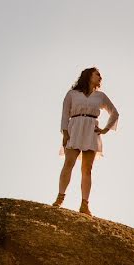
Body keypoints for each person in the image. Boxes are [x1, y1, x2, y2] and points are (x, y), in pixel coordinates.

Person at [54, 67, 119, 216]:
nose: (100, 77)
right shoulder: (72, 94)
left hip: (91, 130)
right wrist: (65, 132)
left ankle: (84, 204)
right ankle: (60, 198)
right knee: (68, 163)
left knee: (87, 168)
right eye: (97, 74)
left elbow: (114, 113)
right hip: (74, 128)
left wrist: (105, 129)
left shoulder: (100, 96)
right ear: (88, 76)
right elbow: (65, 113)